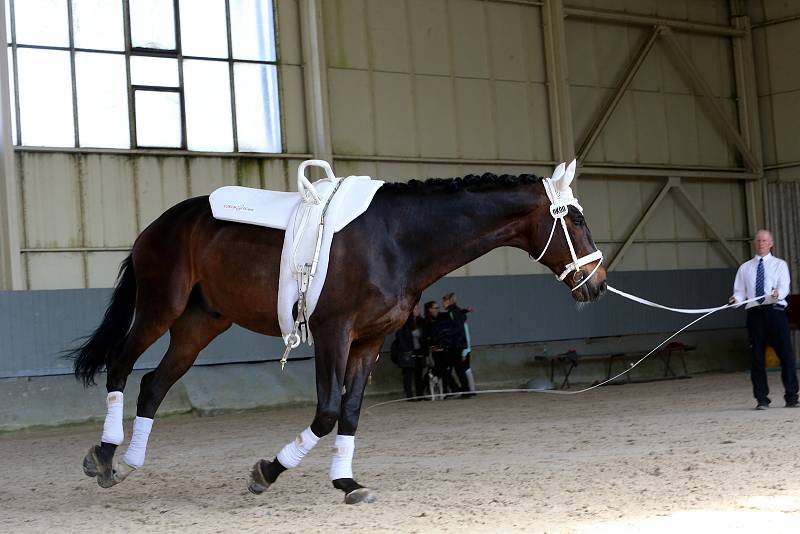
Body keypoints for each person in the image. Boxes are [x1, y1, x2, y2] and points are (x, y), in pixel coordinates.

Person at [729, 229, 798, 410]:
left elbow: (784, 287)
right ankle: (762, 399)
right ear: (754, 243)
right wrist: (736, 300)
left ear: (771, 244)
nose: (761, 244)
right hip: (755, 315)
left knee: (786, 356)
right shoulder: (745, 268)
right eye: (758, 240)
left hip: (775, 312)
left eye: (764, 241)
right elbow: (740, 292)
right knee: (756, 358)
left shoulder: (779, 265)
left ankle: (792, 396)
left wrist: (778, 293)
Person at [422, 300, 461, 396]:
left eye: (438, 308)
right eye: (435, 308)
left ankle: (450, 388)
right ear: (429, 309)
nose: (437, 309)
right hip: (435, 349)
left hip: (445, 347)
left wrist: (464, 310)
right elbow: (427, 337)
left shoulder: (443, 317)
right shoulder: (426, 322)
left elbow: (454, 316)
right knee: (442, 368)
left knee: (443, 369)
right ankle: (450, 388)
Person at [442, 292, 476, 398]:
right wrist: (466, 310)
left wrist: (446, 333)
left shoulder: (453, 312)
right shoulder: (455, 311)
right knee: (459, 369)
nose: (443, 304)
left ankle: (464, 391)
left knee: (457, 369)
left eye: (444, 301)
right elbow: (460, 314)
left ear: (449, 301)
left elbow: (458, 329)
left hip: (456, 345)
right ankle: (464, 390)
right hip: (458, 345)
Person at [390, 306, 426, 400]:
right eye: (416, 309)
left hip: (418, 352)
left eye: (418, 308)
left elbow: (425, 337)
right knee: (408, 375)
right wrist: (406, 350)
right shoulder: (404, 323)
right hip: (408, 353)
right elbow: (400, 337)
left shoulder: (421, 322)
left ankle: (420, 395)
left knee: (419, 375)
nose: (418, 310)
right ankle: (409, 396)